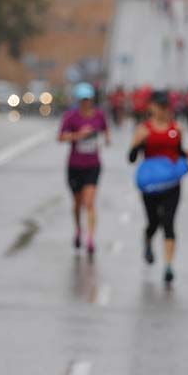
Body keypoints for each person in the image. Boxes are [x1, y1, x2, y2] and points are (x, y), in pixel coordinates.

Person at [129, 90, 188, 285]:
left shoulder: (176, 129)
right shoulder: (143, 129)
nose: (163, 110)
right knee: (154, 222)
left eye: (165, 106)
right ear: (151, 107)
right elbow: (131, 158)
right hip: (151, 185)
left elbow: (181, 153)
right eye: (159, 106)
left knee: (169, 222)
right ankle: (147, 240)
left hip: (172, 184)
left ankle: (168, 266)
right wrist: (138, 143)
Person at [58, 82, 110, 256]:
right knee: (77, 203)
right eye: (82, 100)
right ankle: (78, 229)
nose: (85, 103)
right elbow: (60, 137)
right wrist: (78, 135)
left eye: (88, 99)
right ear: (78, 100)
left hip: (93, 165)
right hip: (75, 165)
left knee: (89, 202)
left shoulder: (99, 116)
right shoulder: (71, 117)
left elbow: (105, 129)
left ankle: (90, 238)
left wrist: (106, 139)